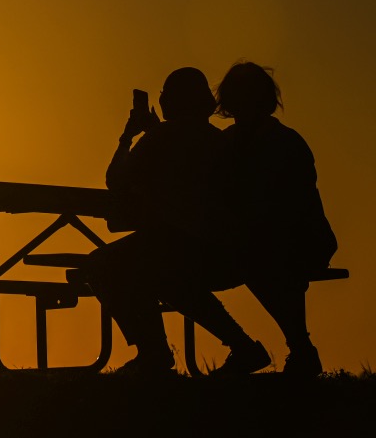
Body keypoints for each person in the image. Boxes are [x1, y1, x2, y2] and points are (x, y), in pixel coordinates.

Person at [85, 67, 269, 376]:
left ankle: (153, 351)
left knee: (103, 266)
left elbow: (116, 180)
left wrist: (128, 136)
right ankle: (239, 345)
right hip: (223, 252)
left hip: (178, 248)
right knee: (163, 276)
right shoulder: (216, 139)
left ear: (169, 101)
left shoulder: (161, 137)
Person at [214, 61, 338, 377]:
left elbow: (286, 208)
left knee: (257, 255)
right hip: (264, 240)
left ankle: (297, 348)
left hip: (301, 239)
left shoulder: (282, 143)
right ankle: (296, 348)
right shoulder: (231, 142)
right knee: (250, 252)